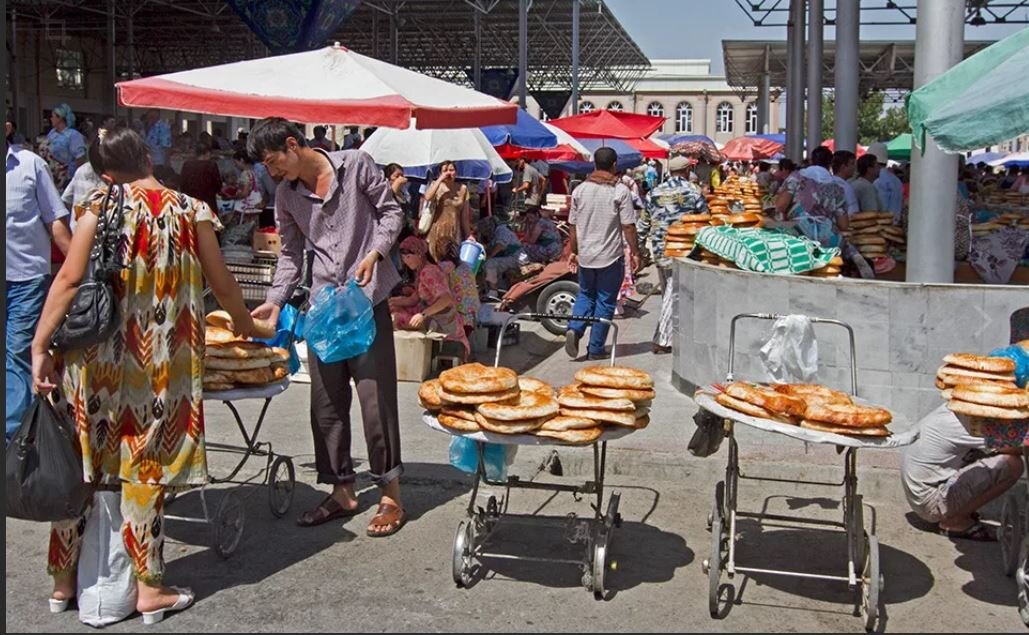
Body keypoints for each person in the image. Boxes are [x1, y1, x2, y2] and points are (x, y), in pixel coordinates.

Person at [31, 127, 256, 620]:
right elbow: (222, 283)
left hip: (93, 360)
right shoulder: (190, 210)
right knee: (145, 468)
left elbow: (69, 279)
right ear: (149, 156)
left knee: (81, 463)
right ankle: (149, 587)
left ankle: (62, 582)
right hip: (161, 364)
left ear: (107, 173)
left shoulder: (97, 205)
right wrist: (247, 325)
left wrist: (40, 345)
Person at [247, 117, 406, 537]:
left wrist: (375, 252)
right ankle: (341, 490)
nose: (270, 171)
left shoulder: (355, 164)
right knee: (326, 402)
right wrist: (274, 300)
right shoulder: (286, 195)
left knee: (375, 398)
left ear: (292, 145)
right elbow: (290, 254)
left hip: (368, 301)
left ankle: (390, 492)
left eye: (272, 161)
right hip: (323, 309)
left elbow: (392, 213)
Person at [6, 138, 73, 442]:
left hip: (26, 280)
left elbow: (56, 223)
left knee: (17, 355)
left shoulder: (31, 165)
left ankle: (13, 442)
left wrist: (78, 274)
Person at [902, 404, 1023, 541]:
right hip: (931, 502)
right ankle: (954, 522)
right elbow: (1016, 447)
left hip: (923, 495)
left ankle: (958, 512)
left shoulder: (955, 408)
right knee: (1012, 464)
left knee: (986, 454)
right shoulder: (968, 425)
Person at [564, 147, 640, 361]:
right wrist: (635, 252)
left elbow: (572, 225)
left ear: (594, 164)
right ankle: (595, 348)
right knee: (605, 301)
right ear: (615, 165)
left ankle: (575, 327)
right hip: (610, 256)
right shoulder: (620, 191)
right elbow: (628, 226)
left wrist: (574, 251)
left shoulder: (579, 190)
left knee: (585, 294)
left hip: (586, 255)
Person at [642, 155, 708, 354]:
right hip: (684, 248)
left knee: (669, 292)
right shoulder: (693, 191)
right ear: (687, 171)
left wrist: (638, 248)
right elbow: (704, 219)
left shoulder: (654, 192)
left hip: (660, 248)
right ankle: (663, 339)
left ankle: (671, 333)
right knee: (674, 293)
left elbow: (644, 221)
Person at [389, 236, 468, 355]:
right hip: (432, 316)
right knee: (391, 309)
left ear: (419, 254)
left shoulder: (429, 272)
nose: (406, 260)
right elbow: (413, 299)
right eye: (404, 257)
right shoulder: (421, 271)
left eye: (409, 256)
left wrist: (422, 315)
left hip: (442, 320)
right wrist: (391, 302)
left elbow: (446, 299)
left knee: (394, 317)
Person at [774, 146, 850, 248]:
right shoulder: (837, 188)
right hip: (826, 241)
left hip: (797, 237)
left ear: (811, 160)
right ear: (830, 163)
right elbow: (843, 225)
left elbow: (781, 205)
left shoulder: (797, 178)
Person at [422, 160, 472, 264]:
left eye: (451, 170)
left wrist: (468, 235)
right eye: (445, 170)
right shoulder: (436, 185)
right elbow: (427, 197)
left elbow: (465, 216)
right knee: (435, 260)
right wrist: (440, 179)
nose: (448, 173)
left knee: (451, 261)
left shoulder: (463, 189)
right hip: (437, 229)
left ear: (456, 172)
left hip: (454, 230)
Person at [44, 103, 87, 190]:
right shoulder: (52, 133)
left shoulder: (73, 135)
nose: (51, 119)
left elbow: (80, 158)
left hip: (67, 177)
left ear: (60, 118)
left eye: (53, 116)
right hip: (51, 175)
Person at [478, 216, 523, 293]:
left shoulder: (502, 230)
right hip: (509, 256)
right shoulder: (494, 234)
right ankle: (488, 289)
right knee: (484, 264)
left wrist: (489, 257)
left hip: (516, 257)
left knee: (490, 263)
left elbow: (500, 245)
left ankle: (493, 292)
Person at [179, 144, 223, 212]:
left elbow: (182, 184)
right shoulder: (211, 165)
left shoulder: (187, 165)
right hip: (208, 201)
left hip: (192, 202)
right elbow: (218, 185)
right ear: (207, 153)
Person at [870, 142, 903, 223]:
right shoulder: (896, 180)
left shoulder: (878, 181)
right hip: (896, 225)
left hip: (883, 225)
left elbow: (881, 208)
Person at [232, 150, 264, 215]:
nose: (235, 165)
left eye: (236, 162)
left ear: (241, 160)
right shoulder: (254, 171)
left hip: (248, 204)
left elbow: (245, 193)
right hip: (257, 201)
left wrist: (233, 197)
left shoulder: (245, 174)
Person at [831, 150, 860, 217]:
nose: (854, 167)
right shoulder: (846, 188)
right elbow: (853, 214)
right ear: (843, 167)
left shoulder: (826, 183)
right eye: (852, 164)